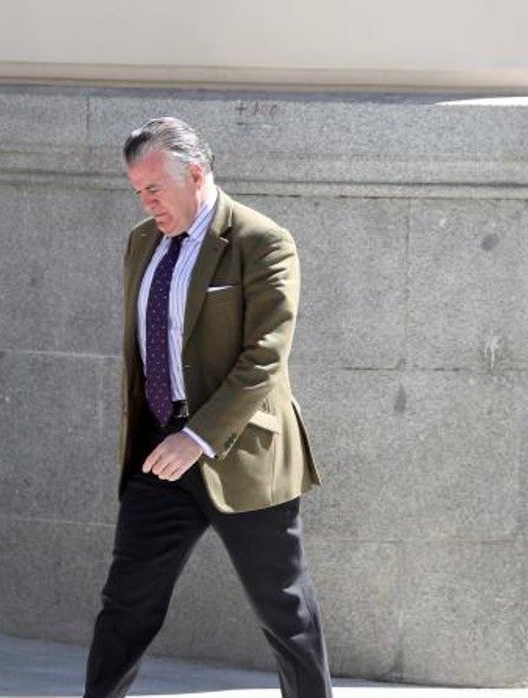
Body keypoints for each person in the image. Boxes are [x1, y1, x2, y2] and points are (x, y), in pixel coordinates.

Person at [84, 117, 331, 698]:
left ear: (195, 174)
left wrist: (197, 436)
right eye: (137, 192)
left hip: (241, 455)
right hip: (158, 456)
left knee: (286, 614)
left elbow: (264, 359)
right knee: (125, 607)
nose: (145, 204)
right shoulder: (142, 242)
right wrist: (162, 434)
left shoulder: (260, 241)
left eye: (154, 190)